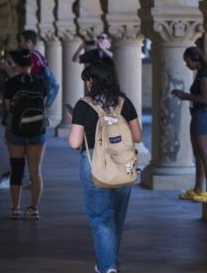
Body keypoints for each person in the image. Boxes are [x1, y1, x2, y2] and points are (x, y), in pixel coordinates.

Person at [68, 58, 142, 273]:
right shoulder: (124, 103)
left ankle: (108, 267)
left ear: (92, 81)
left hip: (94, 167)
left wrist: (76, 120)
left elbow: (74, 143)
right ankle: (109, 263)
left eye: (87, 80)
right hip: (124, 166)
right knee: (116, 219)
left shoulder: (83, 105)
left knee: (101, 219)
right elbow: (137, 137)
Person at [3, 49, 47, 220]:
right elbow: (43, 104)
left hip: (16, 130)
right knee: (35, 171)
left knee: (17, 169)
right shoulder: (40, 82)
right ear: (31, 64)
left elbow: (8, 108)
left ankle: (15, 208)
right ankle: (34, 209)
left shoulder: (11, 83)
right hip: (37, 130)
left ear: (17, 64)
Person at [171, 46, 207, 203]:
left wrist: (184, 95)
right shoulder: (200, 73)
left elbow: (206, 99)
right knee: (198, 154)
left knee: (205, 154)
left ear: (195, 59)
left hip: (202, 115)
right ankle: (198, 188)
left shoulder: (204, 75)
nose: (187, 65)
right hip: (198, 114)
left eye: (188, 62)